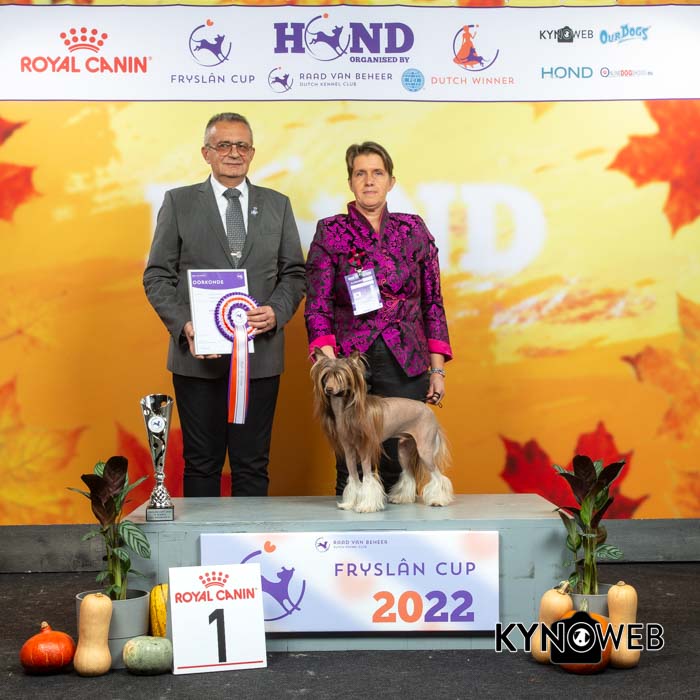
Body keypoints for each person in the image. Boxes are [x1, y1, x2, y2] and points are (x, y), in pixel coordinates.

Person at [144, 112, 305, 497]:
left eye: (242, 146)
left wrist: (276, 312)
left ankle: (249, 538)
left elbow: (295, 273)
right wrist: (186, 325)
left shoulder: (278, 205)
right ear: (206, 153)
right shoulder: (179, 202)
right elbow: (157, 276)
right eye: (224, 145)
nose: (234, 153)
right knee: (201, 463)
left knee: (252, 465)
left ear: (252, 152)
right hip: (197, 360)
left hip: (260, 359)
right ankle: (201, 539)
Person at [304, 141, 452, 496]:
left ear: (391, 181)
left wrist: (437, 370)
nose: (369, 181)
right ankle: (352, 512)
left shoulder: (413, 229)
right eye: (360, 173)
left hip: (407, 359)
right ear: (350, 182)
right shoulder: (331, 231)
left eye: (377, 173)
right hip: (351, 362)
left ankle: (398, 519)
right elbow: (318, 303)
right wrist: (331, 365)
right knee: (350, 457)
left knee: (397, 459)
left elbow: (432, 301)